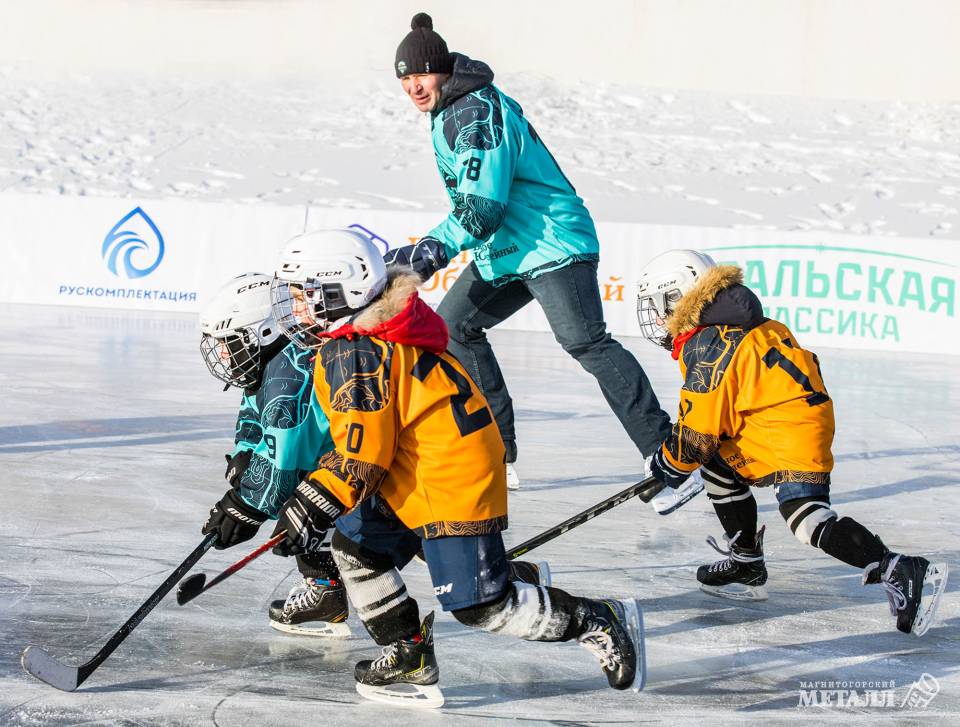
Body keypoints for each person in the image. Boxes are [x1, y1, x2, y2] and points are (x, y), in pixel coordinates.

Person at [268, 228, 645, 708]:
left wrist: (310, 501)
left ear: (344, 288)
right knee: (356, 548)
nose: (298, 310)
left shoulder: (354, 350)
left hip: (447, 478)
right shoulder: (384, 322)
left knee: (480, 607)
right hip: (414, 467)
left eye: (307, 296)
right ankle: (407, 652)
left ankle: (596, 619)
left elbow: (363, 455)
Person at [383, 12, 701, 514]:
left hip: (551, 241)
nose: (413, 87)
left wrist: (431, 250)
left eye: (421, 74)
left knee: (584, 340)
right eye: (404, 78)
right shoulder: (449, 110)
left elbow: (482, 207)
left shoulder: (475, 112)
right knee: (455, 327)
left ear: (442, 69)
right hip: (509, 249)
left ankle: (668, 457)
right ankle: (497, 450)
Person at [635, 249, 948, 635]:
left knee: (807, 519)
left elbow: (696, 436)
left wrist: (666, 465)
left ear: (678, 295)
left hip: (785, 431)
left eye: (658, 305)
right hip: (786, 423)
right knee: (717, 464)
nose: (658, 317)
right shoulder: (739, 320)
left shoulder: (710, 341)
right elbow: (723, 414)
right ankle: (746, 562)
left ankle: (896, 567)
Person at [197, 272, 350, 637]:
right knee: (297, 497)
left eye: (229, 342)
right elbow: (252, 412)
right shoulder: (272, 360)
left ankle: (487, 573)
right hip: (345, 467)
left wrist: (243, 507)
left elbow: (283, 466)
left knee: (298, 501)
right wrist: (244, 454)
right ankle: (325, 593)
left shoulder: (288, 377)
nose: (222, 353)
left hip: (373, 472)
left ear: (262, 332)